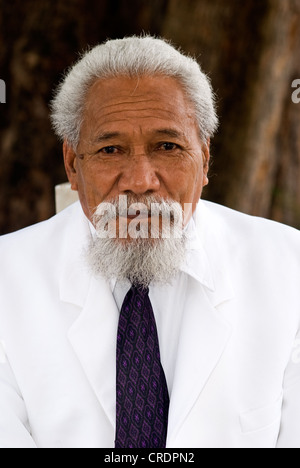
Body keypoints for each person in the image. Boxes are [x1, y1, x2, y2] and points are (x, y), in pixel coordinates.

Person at [0, 35, 299, 449]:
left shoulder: (288, 267)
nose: (140, 180)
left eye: (167, 146)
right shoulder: (6, 281)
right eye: (110, 149)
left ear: (205, 159)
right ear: (72, 164)